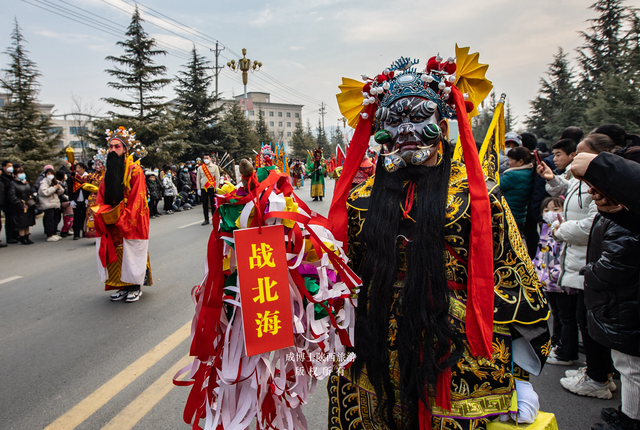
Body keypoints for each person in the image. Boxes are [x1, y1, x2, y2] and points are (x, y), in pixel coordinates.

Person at [328, 55, 550, 429]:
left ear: (442, 121)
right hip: (374, 340)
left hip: (455, 346)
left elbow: (514, 275)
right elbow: (337, 269)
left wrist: (520, 373)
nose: (407, 130)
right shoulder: (359, 197)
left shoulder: (478, 199)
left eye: (418, 118)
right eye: (394, 121)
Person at [94, 126, 152, 303]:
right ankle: (120, 285)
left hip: (129, 218)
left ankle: (134, 286)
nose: (112, 150)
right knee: (116, 252)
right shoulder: (107, 172)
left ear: (125, 149)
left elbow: (138, 199)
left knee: (130, 252)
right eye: (110, 147)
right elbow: (101, 195)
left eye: (116, 147)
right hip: (112, 217)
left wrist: (123, 217)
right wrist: (102, 213)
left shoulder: (135, 170)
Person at [500, 146, 534, 232]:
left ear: (520, 162)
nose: (508, 163)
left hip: (508, 216)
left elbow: (496, 187)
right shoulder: (530, 172)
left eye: (511, 160)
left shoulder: (512, 175)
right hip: (520, 217)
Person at [7, 166, 36, 245]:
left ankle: (27, 237)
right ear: (15, 175)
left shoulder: (25, 183)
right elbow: (12, 196)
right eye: (20, 173)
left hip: (28, 205)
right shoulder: (13, 184)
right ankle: (22, 238)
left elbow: (29, 192)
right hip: (19, 207)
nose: (22, 174)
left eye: (22, 173)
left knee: (27, 223)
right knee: (21, 224)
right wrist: (20, 203)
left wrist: (32, 198)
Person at [84, 152, 106, 239]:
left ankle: (103, 234)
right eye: (96, 164)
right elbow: (83, 180)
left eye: (99, 164)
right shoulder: (92, 175)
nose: (97, 166)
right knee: (92, 217)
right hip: (92, 199)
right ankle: (95, 234)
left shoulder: (106, 175)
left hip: (102, 198)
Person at [38, 167, 64, 242]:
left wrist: (59, 188)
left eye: (51, 174)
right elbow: (45, 192)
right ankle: (49, 234)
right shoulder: (44, 182)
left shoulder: (55, 181)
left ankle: (54, 233)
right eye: (48, 174)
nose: (50, 175)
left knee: (56, 219)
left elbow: (61, 192)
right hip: (48, 204)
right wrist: (54, 188)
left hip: (55, 203)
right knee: (49, 220)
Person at [196, 153, 220, 225]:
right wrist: (198, 189)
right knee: (205, 204)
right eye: (204, 158)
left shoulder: (215, 167)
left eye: (207, 158)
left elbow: (217, 178)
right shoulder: (201, 168)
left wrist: (217, 188)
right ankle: (206, 219)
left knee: (213, 205)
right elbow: (198, 178)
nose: (206, 159)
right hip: (204, 188)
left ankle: (214, 219)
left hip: (212, 188)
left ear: (210, 158)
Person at [71, 162, 89, 240]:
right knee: (76, 217)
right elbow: (70, 188)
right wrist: (71, 199)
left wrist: (88, 198)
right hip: (76, 199)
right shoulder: (73, 177)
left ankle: (84, 232)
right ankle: (76, 233)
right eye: (76, 168)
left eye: (79, 168)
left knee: (85, 217)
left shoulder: (88, 177)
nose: (77, 170)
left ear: (83, 169)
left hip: (85, 199)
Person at [1, 160, 18, 244]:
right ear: (4, 167)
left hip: (13, 202)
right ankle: (10, 237)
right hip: (7, 202)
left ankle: (15, 235)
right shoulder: (3, 178)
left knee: (14, 219)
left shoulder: (11, 176)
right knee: (9, 220)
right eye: (9, 166)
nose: (11, 167)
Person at [56, 170, 73, 238]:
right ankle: (63, 231)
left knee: (69, 217)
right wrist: (66, 198)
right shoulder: (58, 183)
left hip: (66, 201)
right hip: (63, 201)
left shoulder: (65, 183)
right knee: (65, 217)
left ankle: (67, 229)